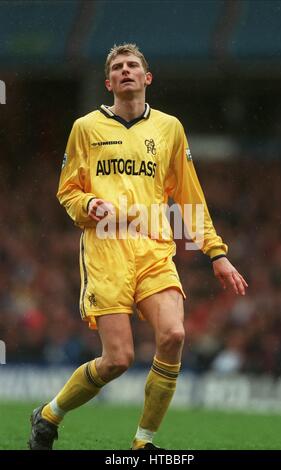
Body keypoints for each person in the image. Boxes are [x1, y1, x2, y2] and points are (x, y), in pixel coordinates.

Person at [28, 43, 248, 450]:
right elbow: (67, 191)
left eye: (133, 66)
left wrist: (216, 253)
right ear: (108, 81)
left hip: (154, 247)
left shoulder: (169, 128)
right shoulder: (86, 128)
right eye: (117, 67)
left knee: (174, 335)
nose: (125, 70)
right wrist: (89, 204)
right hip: (106, 249)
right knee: (118, 360)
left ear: (147, 79)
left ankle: (142, 444)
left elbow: (189, 196)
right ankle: (48, 414)